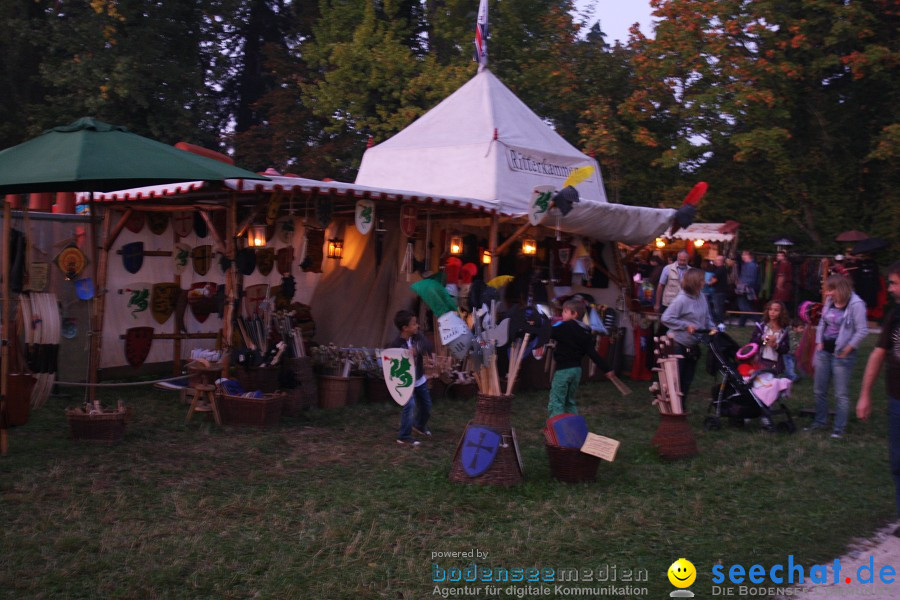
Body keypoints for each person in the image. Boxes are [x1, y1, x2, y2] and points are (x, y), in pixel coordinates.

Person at [856, 262, 900, 525]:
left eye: (894, 283)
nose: (891, 288)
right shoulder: (895, 315)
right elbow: (879, 353)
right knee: (898, 461)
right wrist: (865, 394)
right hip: (897, 400)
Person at [807, 274, 868, 438]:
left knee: (840, 394)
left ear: (839, 289)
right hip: (824, 351)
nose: (827, 294)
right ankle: (820, 422)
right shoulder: (829, 302)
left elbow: (862, 330)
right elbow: (822, 323)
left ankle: (838, 429)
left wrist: (848, 348)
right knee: (819, 390)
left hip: (842, 354)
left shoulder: (856, 304)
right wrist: (819, 341)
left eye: (830, 291)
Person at [547, 298, 614, 417]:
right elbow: (592, 353)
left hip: (563, 371)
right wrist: (607, 369)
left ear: (574, 314)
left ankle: (557, 430)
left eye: (565, 311)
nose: (562, 314)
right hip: (576, 371)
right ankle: (574, 428)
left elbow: (548, 332)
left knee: (556, 401)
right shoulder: (586, 331)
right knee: (569, 401)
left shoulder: (564, 327)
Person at [661, 268, 716, 412]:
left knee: (687, 379)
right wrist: (686, 326)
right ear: (695, 282)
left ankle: (681, 407)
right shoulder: (681, 300)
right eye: (703, 280)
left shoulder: (702, 296)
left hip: (692, 345)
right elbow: (666, 318)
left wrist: (713, 328)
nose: (705, 282)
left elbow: (707, 316)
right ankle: (673, 408)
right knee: (676, 380)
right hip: (678, 344)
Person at [387, 309, 434, 447]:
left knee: (427, 406)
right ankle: (404, 436)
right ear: (405, 328)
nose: (417, 326)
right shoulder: (396, 345)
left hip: (419, 378)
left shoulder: (417, 338)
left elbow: (428, 345)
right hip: (405, 382)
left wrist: (417, 349)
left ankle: (419, 425)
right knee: (410, 405)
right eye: (414, 324)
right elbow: (391, 365)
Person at [749, 300, 790, 374]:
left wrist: (775, 346)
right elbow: (752, 343)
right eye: (770, 309)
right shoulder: (762, 327)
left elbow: (786, 349)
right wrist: (764, 340)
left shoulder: (784, 330)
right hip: (761, 361)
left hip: (776, 363)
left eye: (776, 310)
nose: (772, 312)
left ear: (781, 313)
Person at [655, 251, 690, 335]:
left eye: (684, 260)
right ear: (677, 258)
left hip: (683, 305)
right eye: (680, 260)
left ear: (688, 260)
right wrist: (657, 304)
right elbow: (660, 286)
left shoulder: (691, 271)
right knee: (663, 327)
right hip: (668, 303)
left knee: (679, 329)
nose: (682, 262)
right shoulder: (668, 268)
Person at [736, 250, 760, 327]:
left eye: (744, 255)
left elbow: (751, 278)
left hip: (746, 288)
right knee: (745, 306)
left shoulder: (751, 266)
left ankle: (758, 320)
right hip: (744, 287)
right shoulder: (746, 265)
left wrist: (743, 285)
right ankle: (741, 324)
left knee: (744, 306)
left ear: (749, 256)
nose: (742, 256)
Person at [709, 254, 730, 325]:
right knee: (719, 307)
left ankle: (719, 322)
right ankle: (719, 321)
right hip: (721, 291)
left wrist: (707, 282)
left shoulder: (720, 269)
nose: (715, 261)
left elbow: (713, 281)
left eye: (716, 260)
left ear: (720, 261)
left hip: (718, 291)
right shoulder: (722, 268)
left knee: (717, 308)